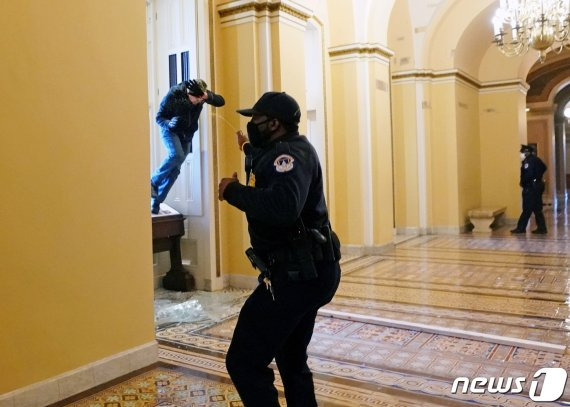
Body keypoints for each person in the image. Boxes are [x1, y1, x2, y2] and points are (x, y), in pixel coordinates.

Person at [218, 91, 341, 406]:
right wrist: (246, 145)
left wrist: (233, 191)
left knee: (244, 361)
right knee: (291, 357)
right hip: (311, 271)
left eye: (256, 120)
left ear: (273, 123)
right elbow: (268, 166)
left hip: (296, 276)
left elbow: (284, 205)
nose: (252, 124)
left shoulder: (286, 155)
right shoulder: (289, 149)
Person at [151, 79, 225, 214]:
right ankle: (152, 182)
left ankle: (156, 203)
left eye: (200, 99)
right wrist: (169, 124)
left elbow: (221, 101)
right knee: (177, 155)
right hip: (170, 130)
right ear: (187, 93)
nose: (198, 101)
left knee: (175, 170)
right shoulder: (174, 95)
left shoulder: (202, 95)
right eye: (195, 98)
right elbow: (159, 117)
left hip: (186, 134)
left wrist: (207, 96)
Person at [511, 144, 548, 234]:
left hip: (531, 187)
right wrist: (537, 177)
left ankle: (521, 228)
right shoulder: (536, 159)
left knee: (527, 208)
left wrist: (523, 183)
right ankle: (542, 228)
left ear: (526, 152)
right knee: (537, 208)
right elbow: (544, 167)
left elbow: (528, 174)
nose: (521, 154)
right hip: (538, 185)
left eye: (522, 152)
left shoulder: (528, 161)